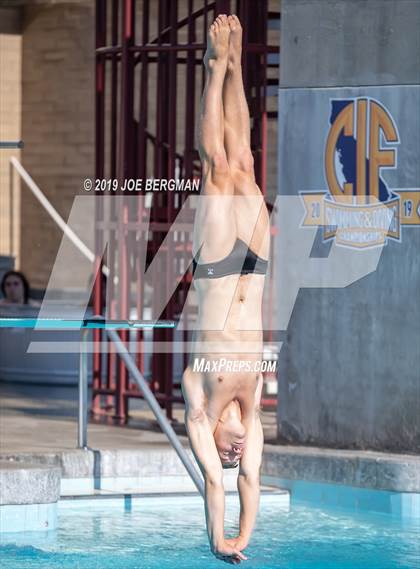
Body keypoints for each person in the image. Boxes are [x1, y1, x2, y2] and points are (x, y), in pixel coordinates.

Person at [181, 14, 270, 565]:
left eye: (226, 455)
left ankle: (214, 71)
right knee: (247, 164)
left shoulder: (198, 405)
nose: (234, 457)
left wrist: (218, 538)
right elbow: (250, 483)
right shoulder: (254, 415)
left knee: (217, 165)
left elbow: (217, 487)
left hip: (215, 267)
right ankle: (236, 67)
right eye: (235, 458)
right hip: (255, 270)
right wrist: (245, 538)